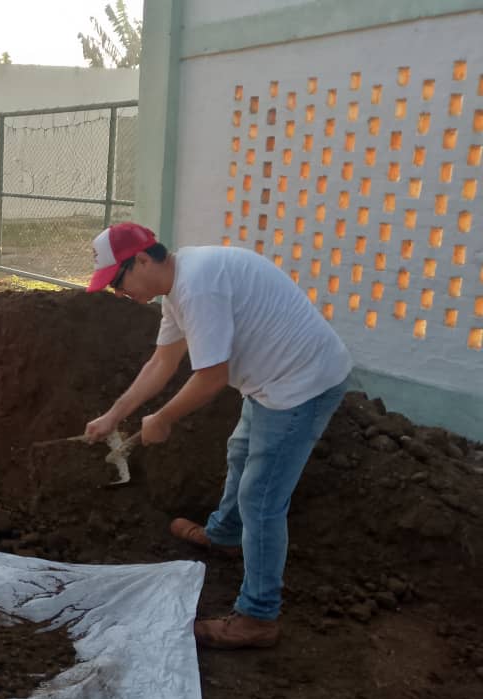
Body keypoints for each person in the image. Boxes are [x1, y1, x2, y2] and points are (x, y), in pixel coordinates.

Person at [83, 222, 351, 649]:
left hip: (303, 385)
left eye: (118, 280)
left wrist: (163, 418)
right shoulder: (179, 285)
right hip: (272, 382)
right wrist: (115, 414)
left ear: (142, 259)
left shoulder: (198, 287)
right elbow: (163, 361)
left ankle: (258, 617)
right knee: (240, 451)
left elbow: (211, 377)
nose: (118, 292)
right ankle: (224, 536)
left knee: (261, 501)